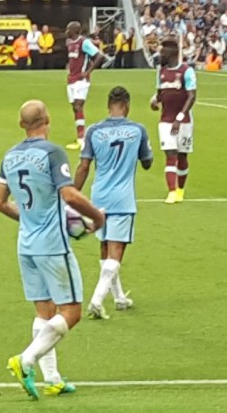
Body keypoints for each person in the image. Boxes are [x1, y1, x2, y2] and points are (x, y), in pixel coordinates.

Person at [0, 100, 106, 400]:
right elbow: (69, 194)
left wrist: (29, 218)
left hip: (26, 245)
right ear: (48, 120)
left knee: (44, 312)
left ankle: (52, 379)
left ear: (21, 125)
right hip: (52, 245)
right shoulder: (52, 152)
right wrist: (97, 216)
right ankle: (26, 360)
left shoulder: (10, 156)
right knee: (71, 311)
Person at [74, 87, 153, 320]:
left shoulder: (94, 131)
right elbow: (147, 162)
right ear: (127, 105)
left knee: (105, 248)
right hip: (122, 198)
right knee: (116, 253)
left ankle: (118, 297)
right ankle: (97, 300)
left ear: (109, 106)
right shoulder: (138, 130)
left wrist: (72, 195)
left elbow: (84, 166)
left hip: (98, 197)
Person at [150, 39, 196, 204]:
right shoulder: (161, 72)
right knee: (170, 154)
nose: (160, 55)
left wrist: (179, 118)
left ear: (172, 54)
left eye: (163, 52)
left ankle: (181, 190)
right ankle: (172, 191)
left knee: (182, 156)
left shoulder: (187, 71)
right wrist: (155, 101)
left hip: (184, 121)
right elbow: (160, 93)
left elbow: (192, 96)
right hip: (165, 121)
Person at [65, 21, 106, 150]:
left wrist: (88, 72)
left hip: (81, 80)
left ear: (74, 31)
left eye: (68, 29)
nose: (66, 31)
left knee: (78, 106)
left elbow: (99, 56)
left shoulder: (84, 42)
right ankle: (80, 135)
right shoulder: (70, 43)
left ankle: (82, 138)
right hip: (71, 79)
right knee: (75, 108)